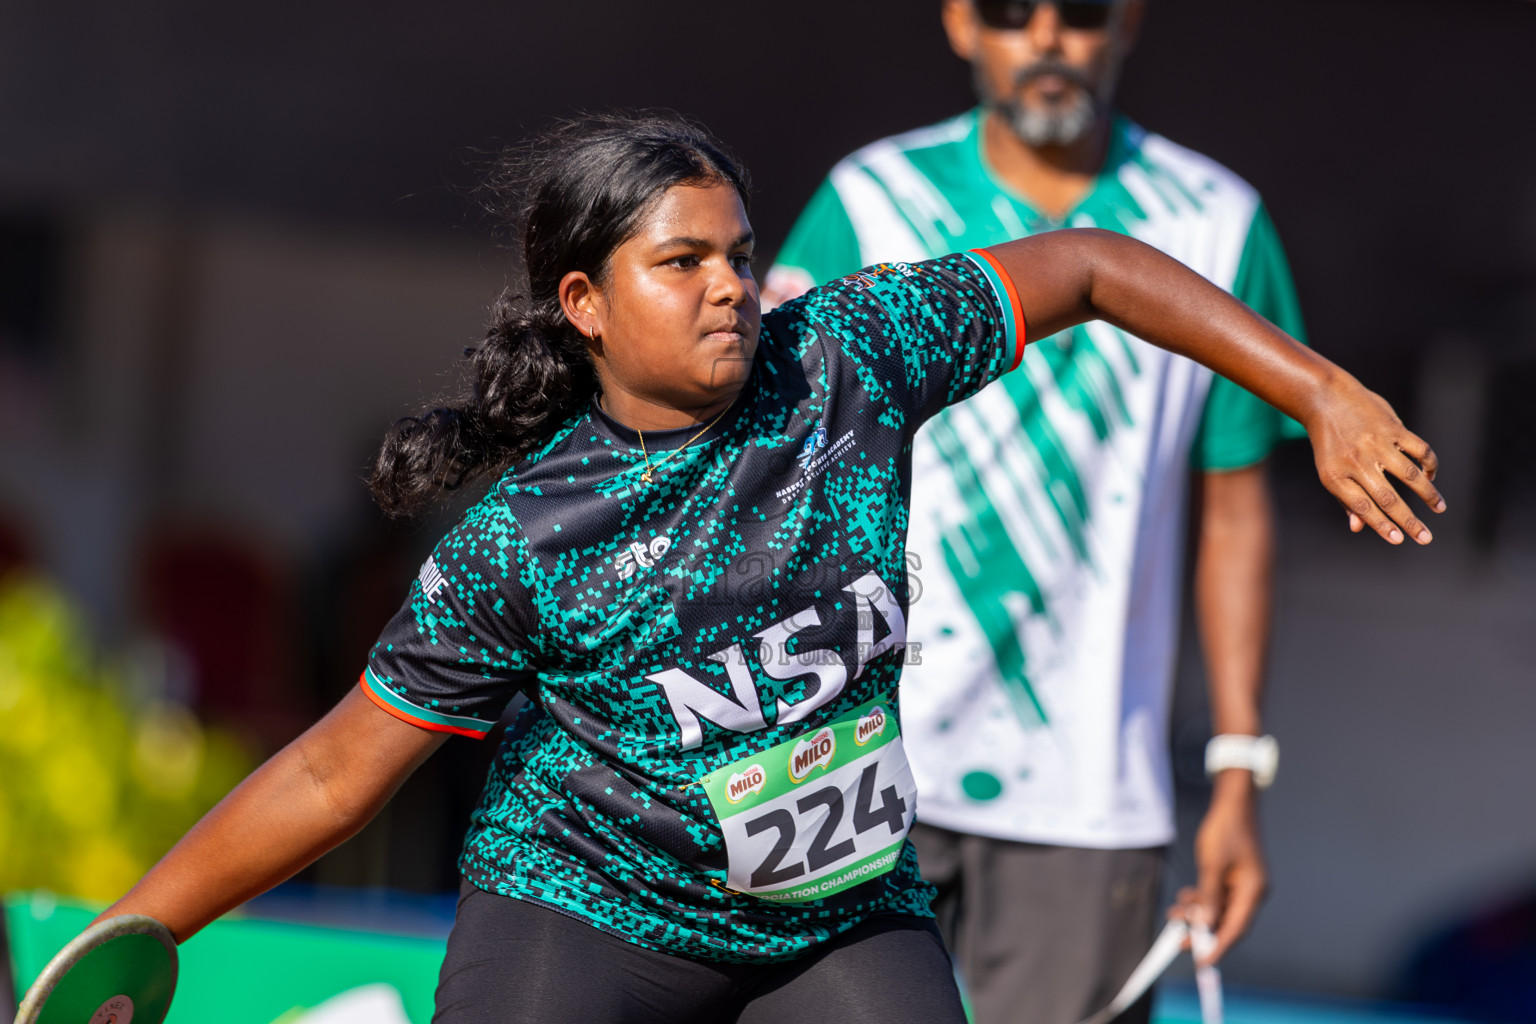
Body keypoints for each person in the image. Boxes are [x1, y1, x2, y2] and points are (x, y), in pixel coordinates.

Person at [95, 112, 1440, 1024]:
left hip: (836, 914)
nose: (733, 283)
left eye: (739, 254)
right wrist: (135, 935)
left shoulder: (849, 359)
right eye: (682, 263)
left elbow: (1088, 266)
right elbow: (336, 771)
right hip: (588, 909)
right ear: (587, 303)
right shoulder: (528, 541)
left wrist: (1318, 392)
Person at [763, 2, 1326, 1020]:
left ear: (1130, 24)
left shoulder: (1216, 219)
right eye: (1013, 11)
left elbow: (1236, 513)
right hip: (846, 753)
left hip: (1088, 784)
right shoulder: (871, 200)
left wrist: (1240, 768)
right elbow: (764, 472)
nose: (1049, 38)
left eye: (1082, 11)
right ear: (959, 23)